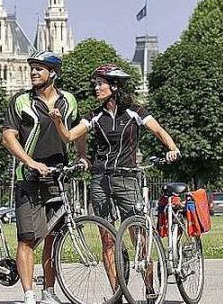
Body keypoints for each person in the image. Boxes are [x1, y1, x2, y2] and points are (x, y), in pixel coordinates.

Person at [50, 64, 179, 301]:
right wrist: (58, 122)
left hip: (126, 179)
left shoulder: (135, 112)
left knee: (138, 236)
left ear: (115, 85)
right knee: (107, 239)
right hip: (100, 180)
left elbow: (158, 131)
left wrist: (172, 148)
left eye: (101, 83)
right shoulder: (94, 115)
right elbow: (69, 136)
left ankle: (150, 290)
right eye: (95, 83)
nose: (96, 87)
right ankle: (116, 295)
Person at [2, 51, 86, 304]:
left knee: (53, 238)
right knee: (28, 238)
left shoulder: (68, 101)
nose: (34, 72)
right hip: (29, 177)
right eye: (32, 69)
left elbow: (77, 131)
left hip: (58, 177)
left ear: (53, 73)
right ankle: (28, 295)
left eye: (40, 68)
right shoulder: (20, 101)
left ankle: (48, 292)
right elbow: (8, 137)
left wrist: (82, 156)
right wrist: (30, 162)